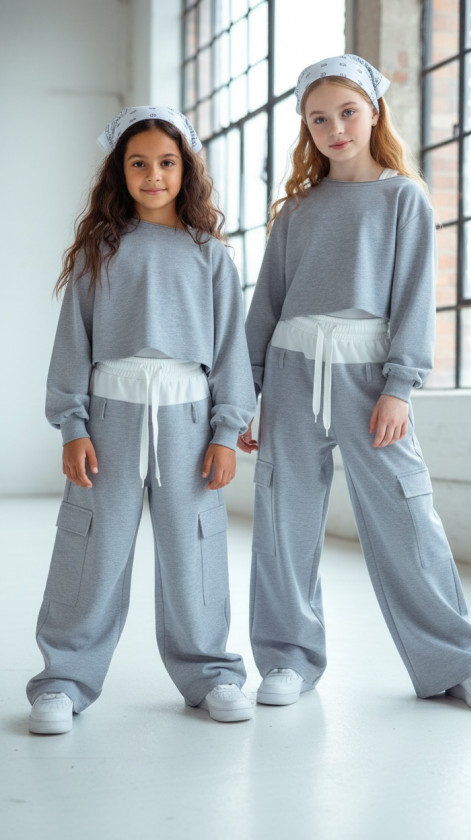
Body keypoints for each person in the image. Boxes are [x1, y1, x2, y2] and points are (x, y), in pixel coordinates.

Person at [238, 55, 471, 712]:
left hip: (369, 379)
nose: (335, 129)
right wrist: (246, 397)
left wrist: (399, 387)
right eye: (319, 119)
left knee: (408, 516)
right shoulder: (296, 210)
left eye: (347, 113)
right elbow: (265, 305)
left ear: (374, 112)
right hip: (291, 373)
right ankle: (287, 659)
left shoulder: (403, 197)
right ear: (306, 128)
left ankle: (458, 662)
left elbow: (415, 299)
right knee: (283, 521)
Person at [27, 106, 256, 733]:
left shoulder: (211, 256)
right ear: (119, 172)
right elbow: (72, 344)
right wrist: (73, 426)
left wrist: (226, 433)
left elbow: (231, 352)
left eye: (166, 163)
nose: (153, 175)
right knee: (91, 548)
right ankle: (64, 679)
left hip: (189, 422)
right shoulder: (99, 252)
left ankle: (211, 673)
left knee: (195, 550)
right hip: (110, 420)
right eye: (139, 163)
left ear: (186, 170)